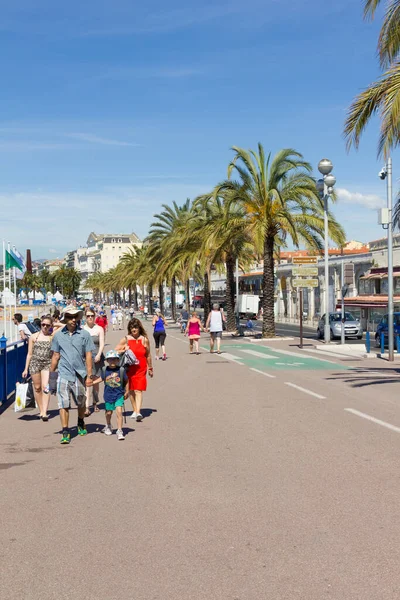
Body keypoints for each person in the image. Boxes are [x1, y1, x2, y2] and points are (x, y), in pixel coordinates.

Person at [49, 306, 95, 445]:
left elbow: (88, 355)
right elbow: (55, 355)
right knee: (63, 403)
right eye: (70, 317)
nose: (73, 320)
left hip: (79, 374)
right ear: (65, 319)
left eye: (75, 317)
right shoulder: (58, 336)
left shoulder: (84, 334)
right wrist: (51, 376)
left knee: (81, 401)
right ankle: (65, 431)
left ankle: (81, 421)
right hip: (63, 373)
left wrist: (89, 375)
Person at [116, 318, 153, 422]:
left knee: (138, 390)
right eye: (132, 327)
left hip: (141, 368)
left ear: (139, 328)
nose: (134, 329)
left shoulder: (144, 339)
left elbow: (148, 355)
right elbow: (116, 350)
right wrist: (124, 349)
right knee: (131, 390)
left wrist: (150, 367)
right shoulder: (126, 339)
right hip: (129, 368)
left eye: (136, 327)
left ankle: (138, 412)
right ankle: (135, 410)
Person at [22, 315, 54, 421]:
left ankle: (44, 412)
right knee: (37, 387)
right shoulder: (33, 337)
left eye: (47, 325)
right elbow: (29, 354)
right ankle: (41, 409)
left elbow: (63, 326)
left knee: (45, 386)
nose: (44, 326)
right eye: (43, 324)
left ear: (51, 326)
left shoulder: (52, 337)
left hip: (47, 364)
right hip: (34, 364)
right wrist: (26, 369)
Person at [100, 350, 128, 440]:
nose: (112, 361)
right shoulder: (105, 370)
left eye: (114, 359)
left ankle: (119, 430)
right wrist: (91, 383)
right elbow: (101, 379)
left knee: (119, 411)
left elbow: (127, 381)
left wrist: (127, 391)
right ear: (107, 361)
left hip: (119, 394)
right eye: (110, 359)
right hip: (108, 395)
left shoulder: (121, 370)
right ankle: (108, 425)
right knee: (108, 412)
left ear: (118, 360)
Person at [83, 308, 105, 415]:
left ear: (95, 316)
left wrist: (99, 354)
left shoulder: (99, 329)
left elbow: (101, 344)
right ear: (85, 317)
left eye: (92, 315)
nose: (90, 317)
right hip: (85, 358)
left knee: (96, 382)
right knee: (87, 382)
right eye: (88, 316)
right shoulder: (82, 329)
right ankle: (86, 406)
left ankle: (95, 402)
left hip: (97, 357)